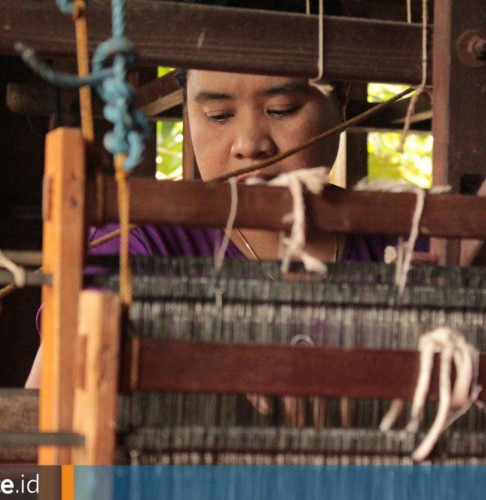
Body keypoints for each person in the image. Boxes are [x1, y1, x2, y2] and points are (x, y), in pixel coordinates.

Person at [25, 68, 389, 390]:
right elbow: (45, 424)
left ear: (340, 97)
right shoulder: (135, 246)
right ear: (188, 113)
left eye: (282, 109)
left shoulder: (404, 243)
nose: (249, 144)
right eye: (219, 115)